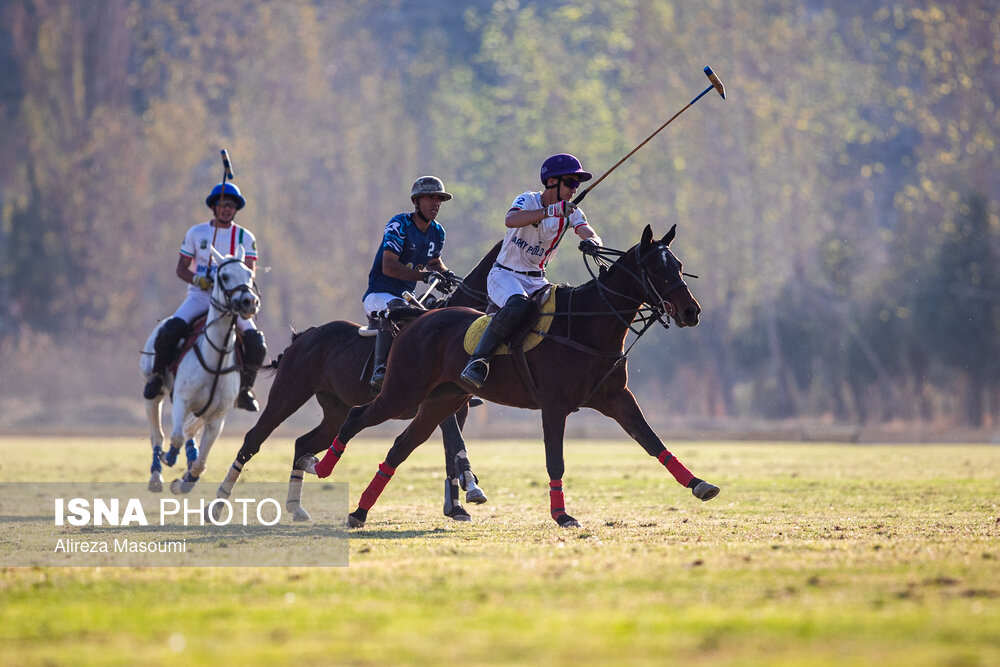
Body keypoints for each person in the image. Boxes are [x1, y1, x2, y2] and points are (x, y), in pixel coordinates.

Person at [460, 153, 602, 388]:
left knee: (564, 309)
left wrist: (594, 243)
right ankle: (477, 362)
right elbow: (511, 220)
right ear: (552, 182)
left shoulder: (572, 212)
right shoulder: (528, 200)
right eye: (570, 182)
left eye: (577, 184)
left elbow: (588, 231)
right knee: (519, 305)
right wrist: (551, 211)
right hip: (504, 275)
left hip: (538, 280)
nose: (575, 188)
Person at [143, 182, 267, 411]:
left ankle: (245, 390)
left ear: (236, 209)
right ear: (214, 207)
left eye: (230, 206)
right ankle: (158, 377)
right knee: (170, 330)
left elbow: (249, 272)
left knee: (256, 343)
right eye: (222, 205)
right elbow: (181, 269)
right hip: (199, 297)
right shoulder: (196, 233)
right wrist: (199, 280)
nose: (226, 209)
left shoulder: (245, 237)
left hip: (232, 304)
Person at [363, 175, 457, 391]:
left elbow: (434, 262)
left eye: (439, 199)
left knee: (440, 312)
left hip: (407, 298)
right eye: (430, 198)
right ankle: (380, 370)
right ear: (416, 202)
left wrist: (445, 273)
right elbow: (389, 266)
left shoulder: (438, 231)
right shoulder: (399, 224)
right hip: (379, 295)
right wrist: (425, 277)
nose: (436, 204)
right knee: (397, 309)